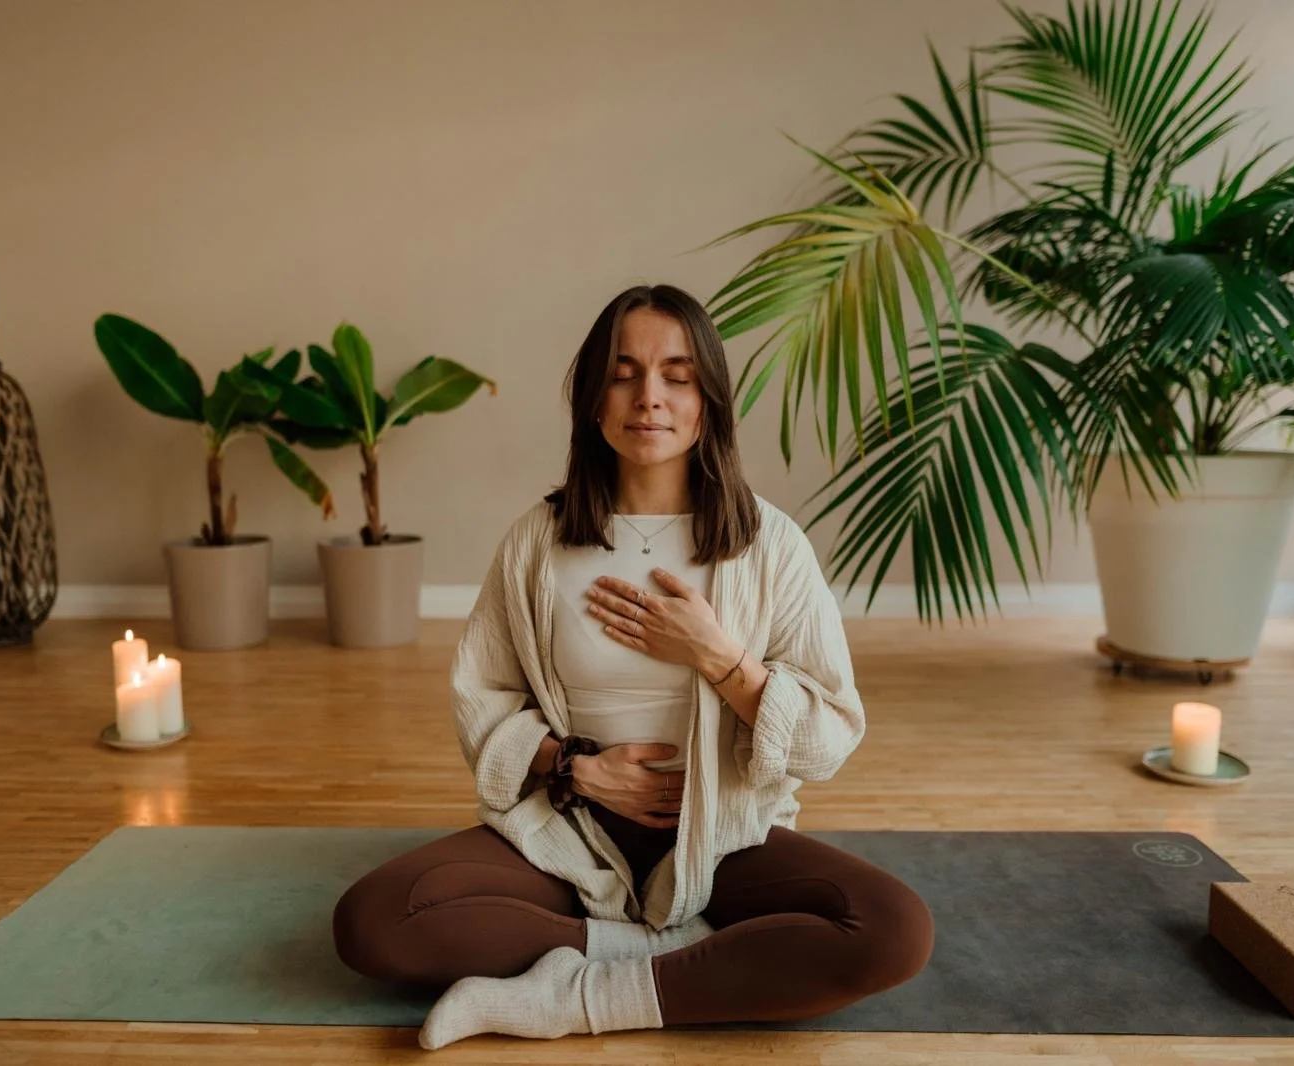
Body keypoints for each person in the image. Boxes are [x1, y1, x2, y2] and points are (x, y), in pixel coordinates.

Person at [333, 283, 934, 1049]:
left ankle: (578, 995)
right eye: (624, 373)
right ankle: (665, 957)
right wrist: (575, 767)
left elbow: (829, 739)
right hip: (572, 825)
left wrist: (719, 657)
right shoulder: (537, 542)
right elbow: (482, 699)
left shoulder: (770, 544)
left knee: (893, 930)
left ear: (708, 397)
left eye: (677, 375)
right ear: (592, 397)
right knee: (373, 922)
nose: (649, 397)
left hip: (726, 836)